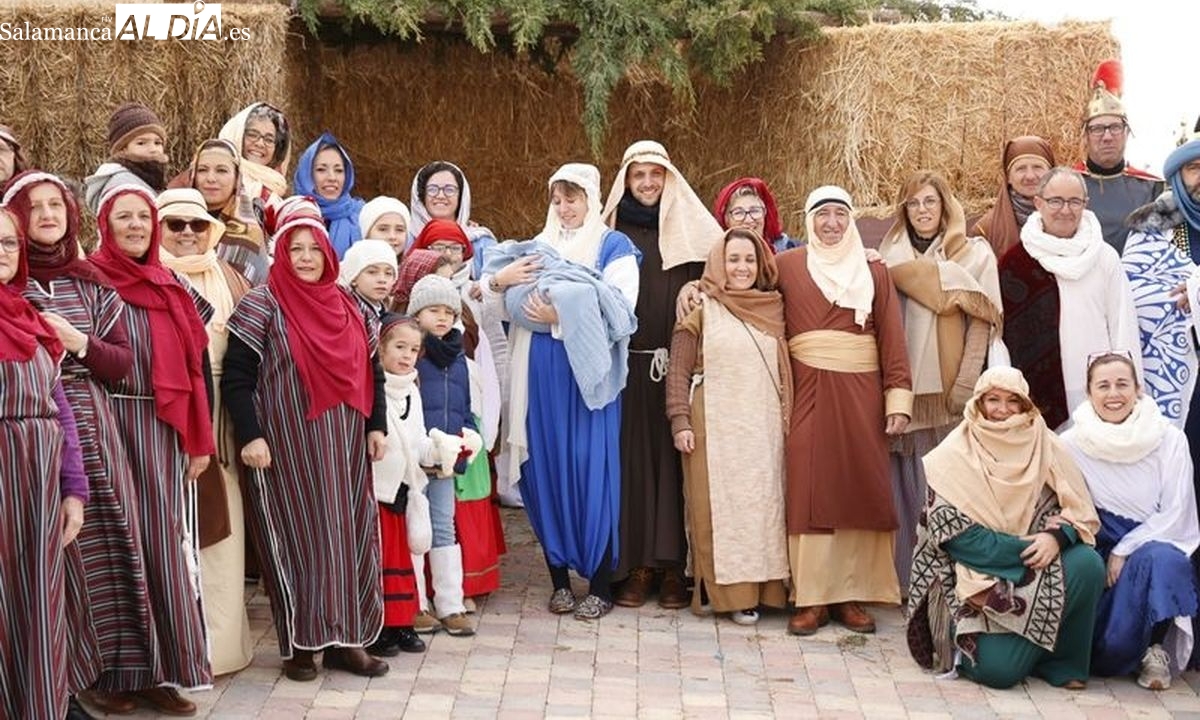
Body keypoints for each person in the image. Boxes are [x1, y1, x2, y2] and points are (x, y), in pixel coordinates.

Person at [6, 171, 154, 717]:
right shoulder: (10, 288)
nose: (47, 215)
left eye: (56, 205)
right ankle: (63, 677)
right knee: (54, 564)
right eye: (33, 207)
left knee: (111, 545)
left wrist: (78, 342)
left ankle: (118, 671)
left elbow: (123, 362)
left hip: (93, 428)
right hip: (32, 437)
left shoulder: (91, 283)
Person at [222, 206, 388, 682]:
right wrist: (250, 434)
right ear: (282, 254)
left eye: (315, 248)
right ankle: (301, 644)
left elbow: (372, 370)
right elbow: (237, 376)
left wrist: (376, 426)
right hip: (284, 446)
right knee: (298, 541)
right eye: (295, 248)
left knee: (347, 537)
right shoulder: (262, 304)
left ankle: (348, 642)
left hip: (344, 447)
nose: (306, 257)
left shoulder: (348, 305)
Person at [484, 162, 640, 620]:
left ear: (591, 200)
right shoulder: (536, 247)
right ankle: (557, 578)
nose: (564, 208)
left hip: (586, 378)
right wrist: (502, 282)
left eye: (573, 198)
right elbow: (493, 306)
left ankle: (600, 583)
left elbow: (621, 311)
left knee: (591, 470)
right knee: (545, 465)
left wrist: (563, 319)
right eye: (557, 199)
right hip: (538, 373)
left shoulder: (614, 246)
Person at [89, 185, 216, 713]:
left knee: (164, 547)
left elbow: (194, 368)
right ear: (105, 224)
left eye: (145, 216)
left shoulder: (172, 286)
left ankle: (163, 670)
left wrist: (199, 439)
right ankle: (111, 676)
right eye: (126, 217)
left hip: (162, 430)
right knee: (119, 547)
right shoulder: (90, 281)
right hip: (109, 424)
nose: (138, 226)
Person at [906, 366, 1104, 690]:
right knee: (998, 672)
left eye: (1013, 401)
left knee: (1087, 564)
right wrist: (1034, 545)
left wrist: (1056, 537)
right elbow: (961, 540)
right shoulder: (951, 456)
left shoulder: (1046, 444)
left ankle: (1060, 662)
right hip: (974, 580)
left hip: (1037, 572)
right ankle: (1016, 651)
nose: (1002, 410)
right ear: (978, 404)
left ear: (1026, 405)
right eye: (993, 400)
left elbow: (1079, 511)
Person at [773, 186, 912, 635]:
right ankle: (812, 597)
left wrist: (898, 399)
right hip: (808, 388)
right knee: (808, 482)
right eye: (822, 214)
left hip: (862, 392)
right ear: (808, 219)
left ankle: (850, 595)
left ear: (850, 219)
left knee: (857, 483)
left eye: (839, 214)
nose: (831, 223)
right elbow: (745, 290)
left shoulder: (873, 270)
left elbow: (891, 333)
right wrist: (698, 290)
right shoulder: (787, 266)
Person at [600, 139, 724, 609]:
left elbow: (724, 276)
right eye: (638, 175)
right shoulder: (610, 231)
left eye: (656, 174)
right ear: (626, 181)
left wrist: (697, 284)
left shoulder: (695, 232)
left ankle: (674, 567)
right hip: (625, 366)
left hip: (676, 364)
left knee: (674, 464)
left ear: (669, 179)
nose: (648, 183)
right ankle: (635, 565)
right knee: (630, 463)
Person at [877, 171, 1003, 595]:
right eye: (913, 203)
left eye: (930, 202)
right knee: (906, 487)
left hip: (950, 391)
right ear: (903, 210)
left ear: (945, 206)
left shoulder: (972, 256)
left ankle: (949, 584)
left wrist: (966, 383)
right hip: (905, 388)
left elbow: (983, 324)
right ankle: (906, 583)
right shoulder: (887, 256)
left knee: (949, 489)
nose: (923, 211)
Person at [666, 227, 789, 625]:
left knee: (763, 508)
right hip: (713, 427)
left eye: (750, 260)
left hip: (764, 429)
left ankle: (768, 591)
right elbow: (678, 370)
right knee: (717, 510)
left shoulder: (774, 306)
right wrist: (680, 420)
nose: (742, 267)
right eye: (733, 259)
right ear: (719, 262)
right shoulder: (701, 305)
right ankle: (731, 596)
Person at [156, 187, 254, 677]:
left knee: (223, 530)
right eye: (175, 225)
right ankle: (175, 651)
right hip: (168, 417)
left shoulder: (230, 277)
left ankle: (220, 648)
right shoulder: (147, 278)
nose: (189, 234)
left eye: (197, 225)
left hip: (226, 417)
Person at [1061, 352, 1199, 690]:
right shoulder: (1070, 443)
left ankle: (1155, 650)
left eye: (1122, 384)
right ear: (1089, 392)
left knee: (1165, 558)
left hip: (1151, 542)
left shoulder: (1169, 439)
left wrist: (1126, 547)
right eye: (1103, 386)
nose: (1113, 394)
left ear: (1138, 389)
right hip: (1099, 548)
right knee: (1109, 649)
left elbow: (1178, 512)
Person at [0, 207, 90, 720]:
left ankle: (41, 699)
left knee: (39, 594)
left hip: (38, 477)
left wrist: (73, 490)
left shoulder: (30, 319)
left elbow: (60, 411)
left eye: (11, 243)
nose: (3, 253)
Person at [999, 166, 1141, 430]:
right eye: (1055, 201)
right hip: (1036, 397)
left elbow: (1123, 327)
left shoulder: (1104, 257)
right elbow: (1001, 339)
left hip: (1098, 393)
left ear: (1086, 204)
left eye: (1074, 201)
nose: (1065, 210)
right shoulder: (1014, 264)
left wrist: (1126, 389)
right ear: (1038, 203)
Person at [405, 273, 484, 636]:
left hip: (445, 460)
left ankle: (450, 603)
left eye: (448, 311)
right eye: (433, 310)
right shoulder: (411, 354)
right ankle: (415, 602)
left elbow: (463, 410)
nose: (441, 317)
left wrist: (465, 443)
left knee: (443, 525)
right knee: (414, 528)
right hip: (414, 457)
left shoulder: (459, 358)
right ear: (416, 313)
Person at [369, 313, 443, 657]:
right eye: (399, 347)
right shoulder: (374, 390)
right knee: (382, 563)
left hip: (405, 491)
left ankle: (402, 623)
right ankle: (380, 627)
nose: (406, 355)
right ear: (380, 349)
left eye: (413, 349)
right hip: (378, 490)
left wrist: (444, 448)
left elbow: (418, 441)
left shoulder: (412, 391)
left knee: (406, 562)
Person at [1122, 137, 1200, 435]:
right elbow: (1135, 298)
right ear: (1177, 178)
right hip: (1170, 366)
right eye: (1194, 168)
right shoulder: (1150, 231)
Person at [1072, 60, 1163, 254]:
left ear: (1127, 133)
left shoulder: (1152, 188)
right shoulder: (1068, 184)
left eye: (1115, 127)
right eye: (1097, 129)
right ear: (1085, 137)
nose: (1107, 137)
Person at [182, 138, 269, 285]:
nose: (210, 178)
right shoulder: (176, 223)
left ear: (237, 179)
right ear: (193, 176)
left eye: (221, 170)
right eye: (202, 170)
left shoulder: (250, 235)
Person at [408, 161, 497, 279]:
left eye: (449, 189)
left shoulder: (480, 242)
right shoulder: (406, 239)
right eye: (432, 189)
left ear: (461, 196)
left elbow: (497, 281)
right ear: (421, 196)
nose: (440, 196)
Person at [971, 135, 1055, 260]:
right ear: (1008, 177)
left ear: (1051, 173)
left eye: (1037, 167)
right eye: (1021, 169)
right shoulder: (986, 230)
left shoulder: (1069, 219)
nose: (1030, 176)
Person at [84, 102, 169, 214]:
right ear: (122, 149)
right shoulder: (124, 185)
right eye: (141, 143)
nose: (153, 149)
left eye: (157, 143)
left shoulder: (147, 177)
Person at [293, 132, 365, 259]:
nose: (332, 178)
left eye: (339, 170)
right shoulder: (291, 217)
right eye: (321, 169)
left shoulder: (363, 217)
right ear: (307, 175)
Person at [219, 101, 291, 201]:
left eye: (269, 140)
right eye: (252, 135)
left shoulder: (276, 187)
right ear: (237, 136)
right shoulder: (217, 180)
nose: (260, 144)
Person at [712, 177, 798, 254]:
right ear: (726, 220)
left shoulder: (792, 251)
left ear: (765, 214)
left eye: (755, 211)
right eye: (739, 212)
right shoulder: (715, 260)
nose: (749, 220)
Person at [339, 238, 399, 321]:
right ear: (353, 278)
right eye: (372, 272)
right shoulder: (344, 312)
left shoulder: (380, 310)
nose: (382, 280)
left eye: (388, 273)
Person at [360, 196, 411, 261]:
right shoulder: (351, 269)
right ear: (366, 234)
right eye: (383, 229)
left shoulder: (412, 268)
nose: (392, 236)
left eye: (399, 230)